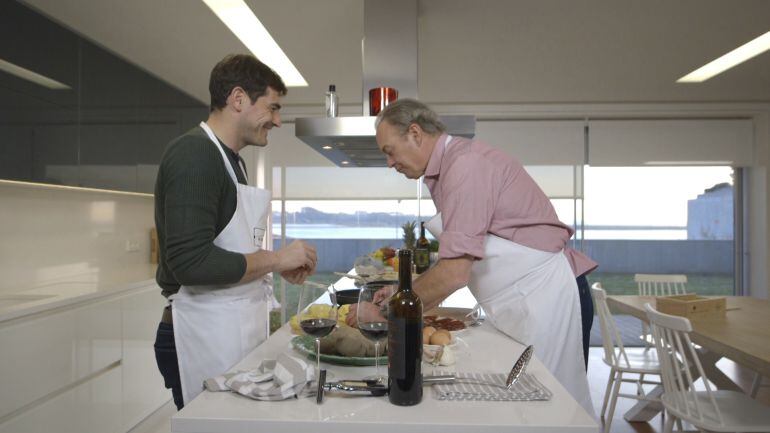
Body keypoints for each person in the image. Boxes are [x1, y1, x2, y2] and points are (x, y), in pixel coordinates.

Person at [358, 98, 595, 414]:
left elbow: (454, 272)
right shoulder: (449, 169)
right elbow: (459, 258)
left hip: (550, 296)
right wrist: (409, 290)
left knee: (552, 412)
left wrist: (390, 311)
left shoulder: (465, 166)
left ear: (415, 133)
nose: (389, 162)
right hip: (525, 300)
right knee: (527, 409)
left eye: (389, 151)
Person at [153, 54, 317, 409]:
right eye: (272, 108)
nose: (277, 120)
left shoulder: (232, 162)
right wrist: (275, 258)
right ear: (238, 98)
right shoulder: (194, 154)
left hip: (228, 331)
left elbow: (229, 247)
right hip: (201, 333)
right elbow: (190, 263)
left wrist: (274, 266)